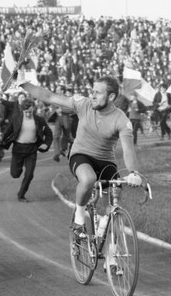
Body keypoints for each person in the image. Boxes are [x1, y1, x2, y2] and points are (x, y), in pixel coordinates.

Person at [16, 73, 142, 238]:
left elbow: (128, 149)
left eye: (98, 93)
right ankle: (79, 218)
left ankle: (110, 254)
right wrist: (23, 83)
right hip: (81, 155)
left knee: (113, 205)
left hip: (105, 161)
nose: (92, 95)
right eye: (93, 91)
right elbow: (49, 96)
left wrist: (133, 172)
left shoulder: (121, 120)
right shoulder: (84, 104)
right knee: (89, 179)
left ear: (111, 96)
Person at [0, 98, 52, 202]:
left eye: (30, 112)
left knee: (29, 175)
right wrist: (1, 137)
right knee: (15, 174)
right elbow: (8, 131)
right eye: (26, 112)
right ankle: (19, 168)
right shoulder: (16, 118)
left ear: (34, 109)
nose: (28, 114)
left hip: (31, 150)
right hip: (18, 149)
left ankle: (21, 195)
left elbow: (49, 133)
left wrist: (46, 144)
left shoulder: (39, 120)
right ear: (22, 110)